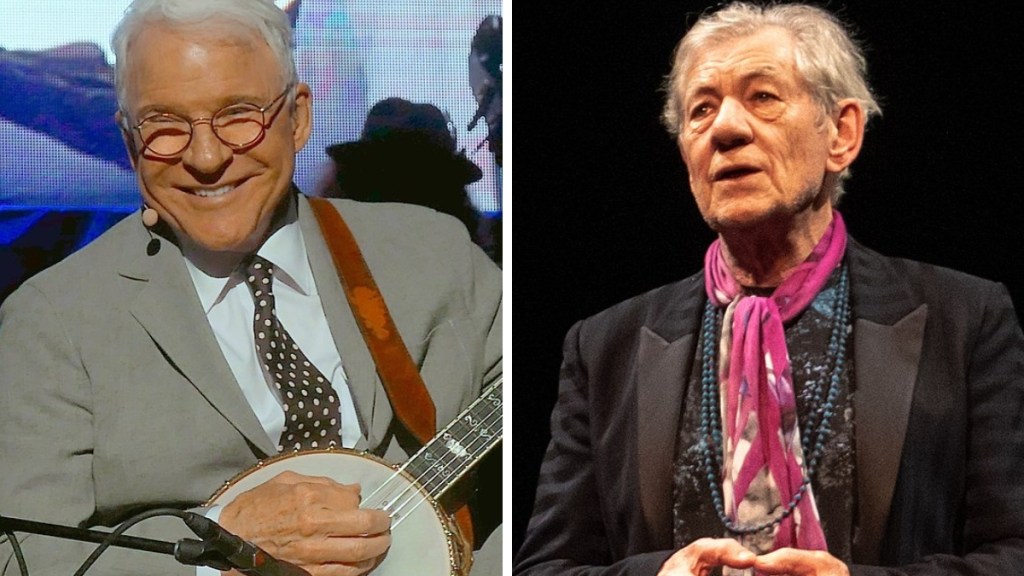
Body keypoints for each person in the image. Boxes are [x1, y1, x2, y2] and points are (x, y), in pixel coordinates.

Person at [513, 2, 1024, 575]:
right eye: (701, 110)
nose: (727, 129)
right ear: (685, 152)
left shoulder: (966, 321)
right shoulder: (606, 346)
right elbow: (545, 567)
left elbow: (1013, 553)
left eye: (763, 97)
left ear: (842, 133)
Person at [0, 0, 502, 575]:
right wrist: (212, 560)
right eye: (165, 126)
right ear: (129, 140)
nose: (207, 158)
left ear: (298, 118)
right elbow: (17, 553)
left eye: (239, 115)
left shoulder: (435, 255)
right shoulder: (53, 321)